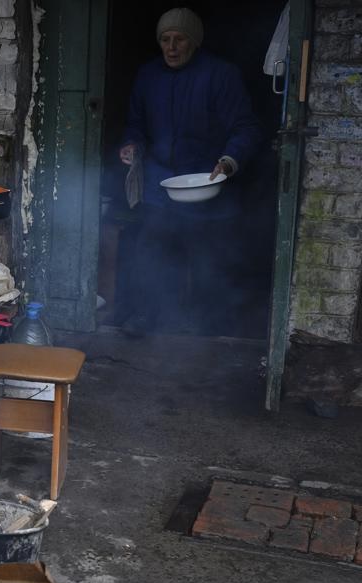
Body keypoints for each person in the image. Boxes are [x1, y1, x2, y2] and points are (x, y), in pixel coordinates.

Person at [119, 7, 263, 336]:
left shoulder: (221, 75)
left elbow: (246, 127)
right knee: (150, 254)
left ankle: (206, 329)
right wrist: (131, 145)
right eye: (165, 40)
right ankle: (145, 319)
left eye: (179, 39)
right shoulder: (148, 76)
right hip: (161, 185)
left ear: (194, 41)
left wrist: (229, 160)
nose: (171, 47)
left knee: (206, 262)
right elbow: (135, 124)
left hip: (206, 185)